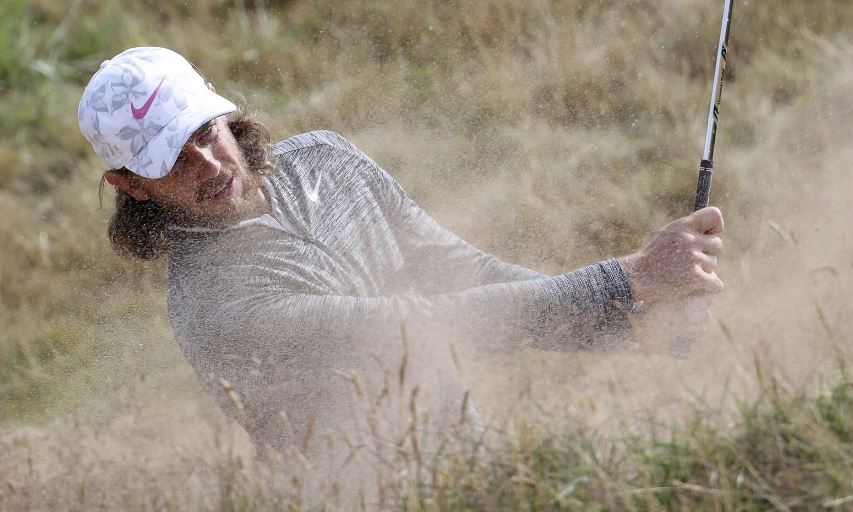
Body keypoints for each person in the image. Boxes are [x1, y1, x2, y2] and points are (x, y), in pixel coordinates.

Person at [77, 47, 723, 470]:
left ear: (220, 106)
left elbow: (461, 271)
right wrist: (626, 278)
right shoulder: (217, 308)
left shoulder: (325, 159)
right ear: (130, 185)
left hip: (476, 465)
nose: (210, 165)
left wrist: (629, 318)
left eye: (204, 133)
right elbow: (421, 327)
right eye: (171, 161)